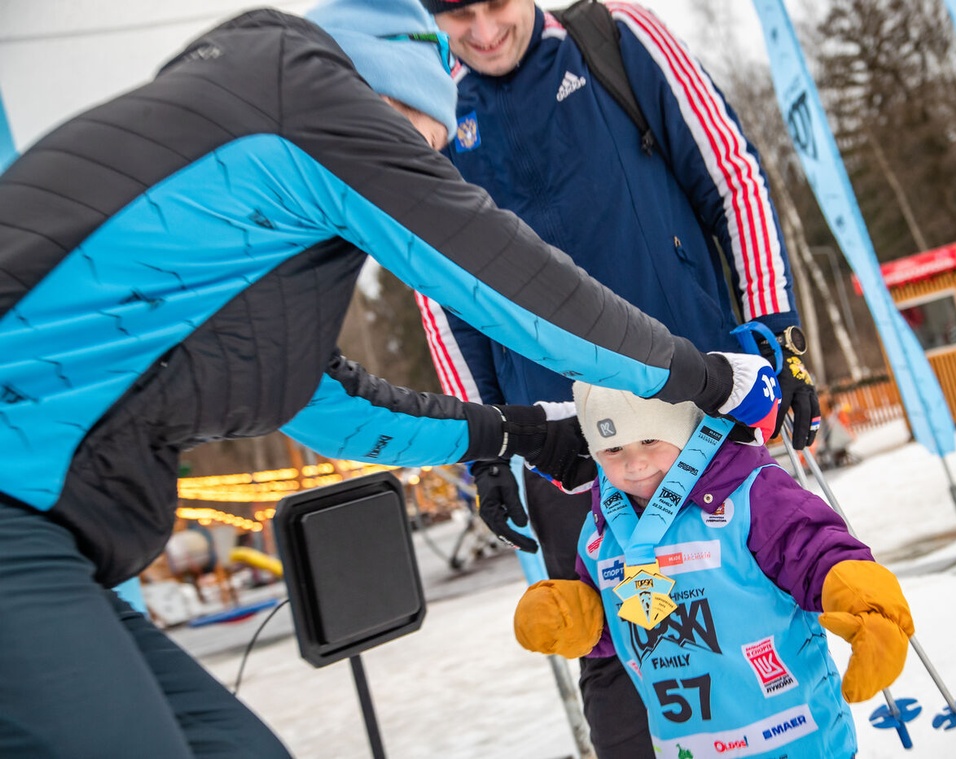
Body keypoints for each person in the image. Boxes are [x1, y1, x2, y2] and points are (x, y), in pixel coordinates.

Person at [0, 0, 784, 755]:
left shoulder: (250, 205)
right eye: (419, 141)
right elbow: (509, 284)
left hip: (51, 535)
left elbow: (322, 399)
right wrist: (701, 376)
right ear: (387, 89)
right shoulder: (310, 99)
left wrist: (517, 432)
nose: (422, 165)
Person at [414, 0, 820, 753]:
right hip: (568, 446)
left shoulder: (611, 36)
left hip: (694, 408)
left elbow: (730, 174)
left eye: (495, 4)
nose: (481, 31)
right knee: (621, 658)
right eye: (456, 15)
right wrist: (487, 446)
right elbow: (441, 293)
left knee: (756, 617)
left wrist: (777, 328)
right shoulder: (433, 109)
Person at [513, 383, 916, 758]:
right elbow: (618, 627)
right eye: (613, 449)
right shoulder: (605, 531)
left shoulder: (749, 493)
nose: (634, 464)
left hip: (794, 737)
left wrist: (872, 609)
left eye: (650, 440)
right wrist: (572, 617)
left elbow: (818, 553)